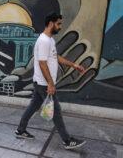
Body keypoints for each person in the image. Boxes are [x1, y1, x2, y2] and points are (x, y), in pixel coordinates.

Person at [15, 12, 86, 150]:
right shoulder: (43, 41)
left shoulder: (50, 40)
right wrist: (50, 84)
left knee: (33, 106)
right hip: (44, 83)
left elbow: (55, 57)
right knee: (56, 112)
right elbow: (42, 63)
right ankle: (67, 140)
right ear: (51, 23)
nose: (60, 27)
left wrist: (73, 65)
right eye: (58, 24)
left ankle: (20, 130)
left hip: (41, 82)